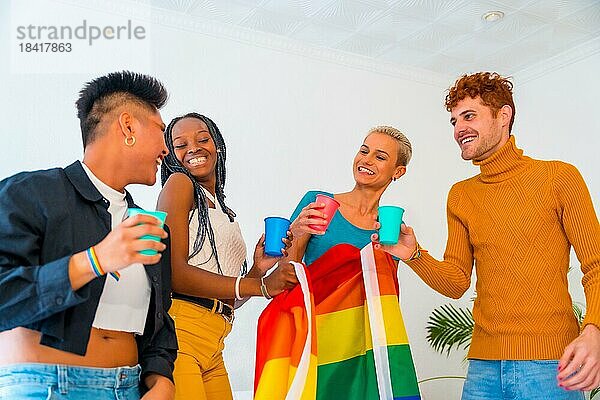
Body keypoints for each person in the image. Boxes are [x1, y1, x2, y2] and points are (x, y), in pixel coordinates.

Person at [375, 72, 600, 399]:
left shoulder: (559, 178)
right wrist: (413, 254)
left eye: (469, 116)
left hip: (549, 366)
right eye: (454, 121)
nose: (458, 129)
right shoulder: (461, 195)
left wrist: (593, 330)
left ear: (503, 115)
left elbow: (596, 265)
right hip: (483, 367)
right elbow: (455, 282)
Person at [0, 71, 177, 399]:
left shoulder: (153, 228)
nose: (166, 149)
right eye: (161, 131)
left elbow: (159, 325)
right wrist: (95, 260)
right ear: (128, 127)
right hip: (47, 386)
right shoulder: (29, 193)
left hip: (129, 388)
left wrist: (160, 379)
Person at [157, 112, 298, 400]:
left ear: (217, 146)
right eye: (180, 144)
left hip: (215, 340)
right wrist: (261, 286)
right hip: (181, 335)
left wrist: (257, 272)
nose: (193, 148)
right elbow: (175, 274)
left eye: (202, 139)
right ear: (170, 155)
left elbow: (226, 301)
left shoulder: (222, 209)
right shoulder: (179, 185)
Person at [285, 125, 411, 265]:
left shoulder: (390, 226)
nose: (367, 160)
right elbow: (285, 273)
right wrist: (294, 234)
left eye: (380, 157)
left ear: (398, 172)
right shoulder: (318, 203)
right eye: (364, 151)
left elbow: (387, 284)